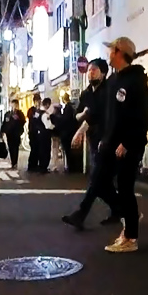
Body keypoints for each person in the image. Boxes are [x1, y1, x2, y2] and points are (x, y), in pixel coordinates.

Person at [100, 37, 148, 254]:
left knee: (125, 188)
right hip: (110, 143)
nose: (109, 54)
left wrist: (127, 143)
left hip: (129, 145)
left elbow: (142, 118)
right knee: (100, 181)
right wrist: (106, 137)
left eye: (111, 50)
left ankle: (131, 236)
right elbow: (112, 115)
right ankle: (129, 219)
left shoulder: (135, 81)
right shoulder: (114, 80)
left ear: (119, 52)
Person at [62, 58, 121, 229]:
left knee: (96, 179)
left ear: (103, 73)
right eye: (88, 70)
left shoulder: (108, 91)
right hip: (95, 141)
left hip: (109, 141)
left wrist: (81, 128)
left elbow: (99, 116)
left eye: (94, 70)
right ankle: (121, 210)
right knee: (102, 183)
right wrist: (84, 116)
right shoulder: (87, 93)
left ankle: (80, 214)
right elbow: (78, 115)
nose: (90, 72)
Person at [57, 93, 83, 174]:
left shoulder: (68, 108)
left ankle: (71, 168)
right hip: (71, 132)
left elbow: (65, 120)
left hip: (67, 133)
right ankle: (71, 167)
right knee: (70, 151)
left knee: (68, 151)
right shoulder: (72, 107)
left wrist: (57, 118)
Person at [28, 98, 55, 173]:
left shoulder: (37, 112)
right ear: (47, 105)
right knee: (45, 151)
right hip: (44, 135)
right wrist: (55, 127)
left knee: (39, 151)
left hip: (37, 134)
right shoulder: (44, 114)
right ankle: (42, 167)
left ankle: (35, 166)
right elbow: (48, 126)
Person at [2, 99, 26, 169]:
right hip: (9, 134)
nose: (14, 106)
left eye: (15, 105)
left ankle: (15, 162)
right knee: (10, 148)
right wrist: (3, 131)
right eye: (13, 104)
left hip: (16, 133)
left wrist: (18, 119)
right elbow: (4, 123)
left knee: (16, 148)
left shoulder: (20, 113)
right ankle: (13, 162)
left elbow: (23, 121)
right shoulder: (8, 114)